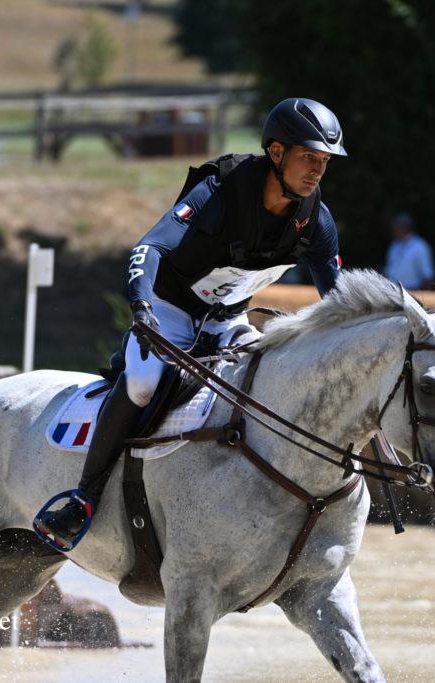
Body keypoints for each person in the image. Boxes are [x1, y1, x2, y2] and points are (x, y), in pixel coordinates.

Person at [35, 98, 347, 548]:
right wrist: (142, 309)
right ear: (276, 153)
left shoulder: (315, 220)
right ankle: (83, 498)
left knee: (267, 381)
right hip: (169, 310)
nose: (317, 170)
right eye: (308, 157)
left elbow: (337, 300)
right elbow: (151, 248)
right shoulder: (221, 190)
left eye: (324, 161)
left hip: (228, 320)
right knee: (142, 383)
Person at [384, 212, 435, 290]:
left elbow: (427, 275)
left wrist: (427, 296)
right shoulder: (394, 245)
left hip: (412, 292)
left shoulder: (420, 246)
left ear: (404, 228)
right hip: (392, 291)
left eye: (395, 227)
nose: (393, 230)